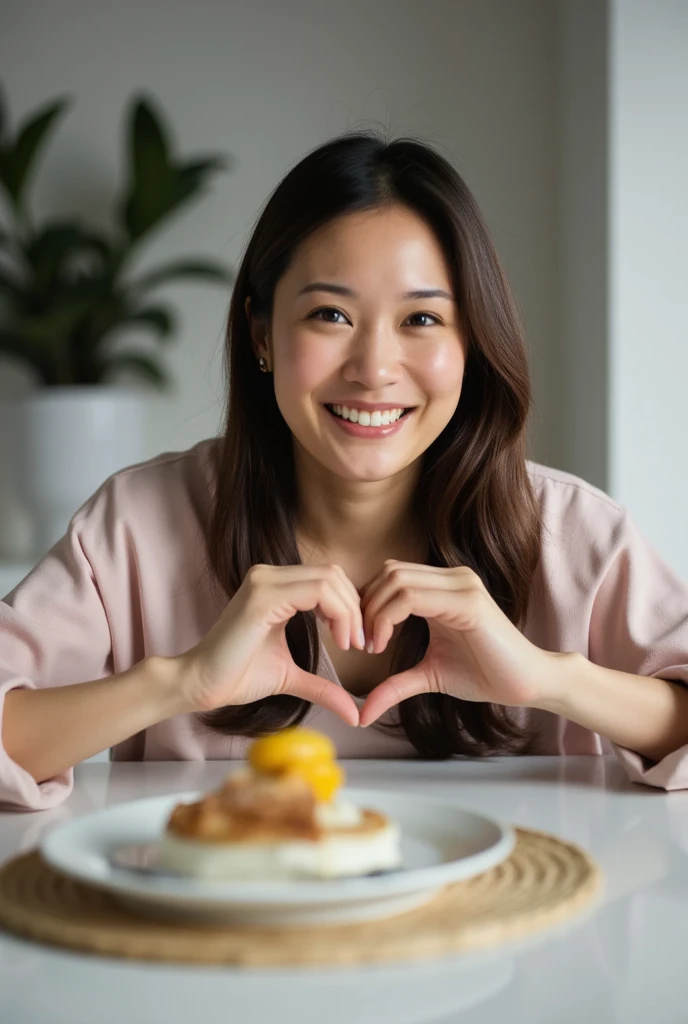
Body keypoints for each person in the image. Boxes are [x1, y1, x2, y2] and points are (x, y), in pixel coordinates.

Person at [2, 132, 688, 813]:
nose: (374, 368)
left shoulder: (574, 532)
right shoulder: (138, 523)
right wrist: (178, 682)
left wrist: (550, 680)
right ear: (263, 334)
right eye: (330, 314)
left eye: (421, 318)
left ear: (470, 344)